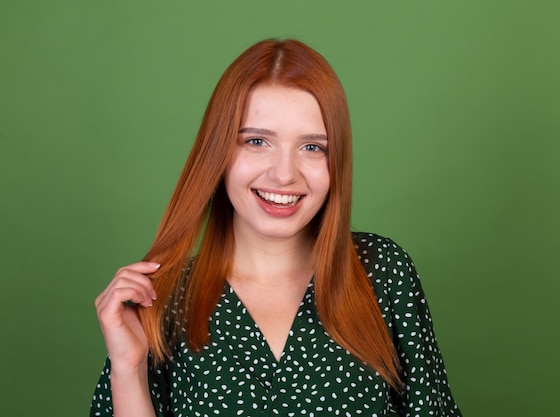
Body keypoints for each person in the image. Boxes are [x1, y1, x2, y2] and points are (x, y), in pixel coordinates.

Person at [90, 39, 462, 417]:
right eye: (256, 141)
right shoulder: (162, 300)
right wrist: (129, 370)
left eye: (313, 147)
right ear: (218, 152)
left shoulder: (382, 272)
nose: (284, 174)